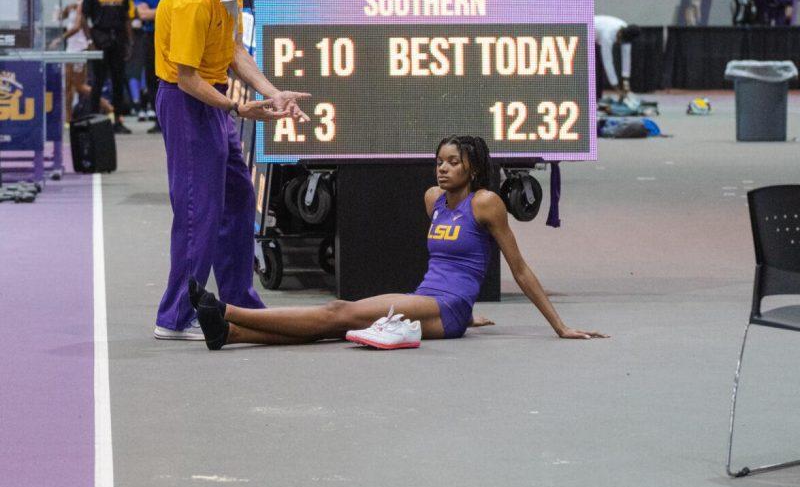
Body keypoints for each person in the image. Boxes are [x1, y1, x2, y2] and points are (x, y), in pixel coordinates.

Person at [189, 135, 607, 351]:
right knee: (344, 326)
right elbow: (453, 259)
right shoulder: (433, 200)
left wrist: (560, 325)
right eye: (439, 161)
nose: (442, 169)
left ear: (474, 168)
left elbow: (517, 267)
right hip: (427, 298)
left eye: (453, 162)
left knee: (341, 310)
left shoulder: (486, 202)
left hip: (448, 308)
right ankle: (230, 333)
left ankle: (225, 309)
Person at [153, 0, 310, 340]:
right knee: (197, 210)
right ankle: (175, 317)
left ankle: (239, 304)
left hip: (214, 102)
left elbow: (235, 50)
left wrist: (272, 93)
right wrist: (238, 107)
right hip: (187, 104)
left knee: (240, 197)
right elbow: (186, 79)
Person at [82, 0, 132, 133]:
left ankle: (118, 121)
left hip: (118, 40)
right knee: (98, 82)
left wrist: (129, 43)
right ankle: (93, 120)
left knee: (118, 82)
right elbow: (84, 17)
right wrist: (89, 41)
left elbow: (127, 18)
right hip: (99, 40)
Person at [134, 0, 171, 133]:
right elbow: (142, 14)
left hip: (170, 37)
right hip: (150, 37)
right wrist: (161, 10)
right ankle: (159, 120)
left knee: (172, 76)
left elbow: (174, 9)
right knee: (152, 78)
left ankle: (172, 119)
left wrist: (154, 12)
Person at [49, 0, 91, 119]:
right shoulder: (74, 5)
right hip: (71, 49)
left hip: (79, 50)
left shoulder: (83, 4)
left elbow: (77, 27)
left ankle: (109, 107)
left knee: (79, 86)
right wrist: (64, 10)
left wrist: (60, 38)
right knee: (67, 85)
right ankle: (68, 118)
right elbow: (59, 18)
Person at [594, 15, 641, 100]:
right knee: (595, 66)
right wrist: (617, 89)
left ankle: (598, 98)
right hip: (583, 30)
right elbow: (608, 62)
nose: (620, 43)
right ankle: (592, 98)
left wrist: (626, 82)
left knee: (599, 67)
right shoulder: (607, 35)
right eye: (621, 40)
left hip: (596, 37)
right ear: (620, 33)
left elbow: (626, 58)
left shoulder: (627, 32)